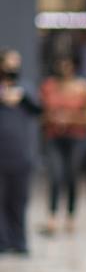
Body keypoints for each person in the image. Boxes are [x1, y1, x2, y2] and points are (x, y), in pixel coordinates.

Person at [39, 53, 86, 236]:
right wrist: (54, 118)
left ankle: (70, 216)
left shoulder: (83, 87)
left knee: (72, 175)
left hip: (77, 136)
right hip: (54, 136)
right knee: (55, 174)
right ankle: (52, 217)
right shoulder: (48, 86)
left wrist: (70, 118)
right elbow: (40, 112)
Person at [0, 49, 41, 255]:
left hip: (20, 154)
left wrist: (22, 98)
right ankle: (3, 242)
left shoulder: (25, 88)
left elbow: (38, 110)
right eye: (9, 62)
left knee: (19, 200)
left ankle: (19, 241)